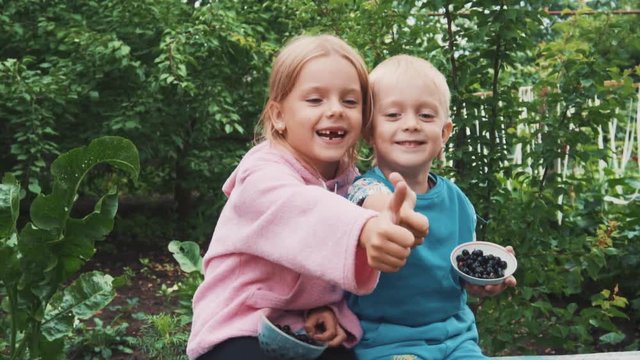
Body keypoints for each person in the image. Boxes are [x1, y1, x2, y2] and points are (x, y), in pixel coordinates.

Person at [186, 35, 428, 360]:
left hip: (302, 327)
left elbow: (365, 196)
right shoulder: (261, 173)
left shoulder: (348, 179)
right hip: (238, 329)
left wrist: (330, 307)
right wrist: (366, 229)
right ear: (278, 116)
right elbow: (304, 211)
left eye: (350, 101)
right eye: (315, 100)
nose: (335, 110)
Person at [346, 55, 518, 360]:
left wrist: (480, 280)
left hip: (456, 338)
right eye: (394, 115)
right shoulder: (361, 192)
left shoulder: (459, 203)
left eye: (425, 116)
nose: (410, 125)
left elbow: (455, 274)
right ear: (370, 131)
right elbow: (367, 204)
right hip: (387, 343)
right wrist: (392, 212)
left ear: (444, 133)